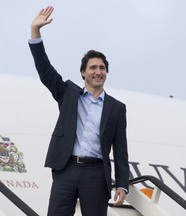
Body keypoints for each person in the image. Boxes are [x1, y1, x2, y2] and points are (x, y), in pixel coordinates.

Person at [29, 6, 129, 216]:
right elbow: (45, 70)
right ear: (83, 73)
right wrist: (35, 32)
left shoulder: (117, 108)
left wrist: (122, 184)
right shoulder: (67, 93)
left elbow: (120, 150)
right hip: (66, 168)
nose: (98, 72)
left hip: (96, 172)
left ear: (106, 73)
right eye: (92, 68)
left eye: (102, 68)